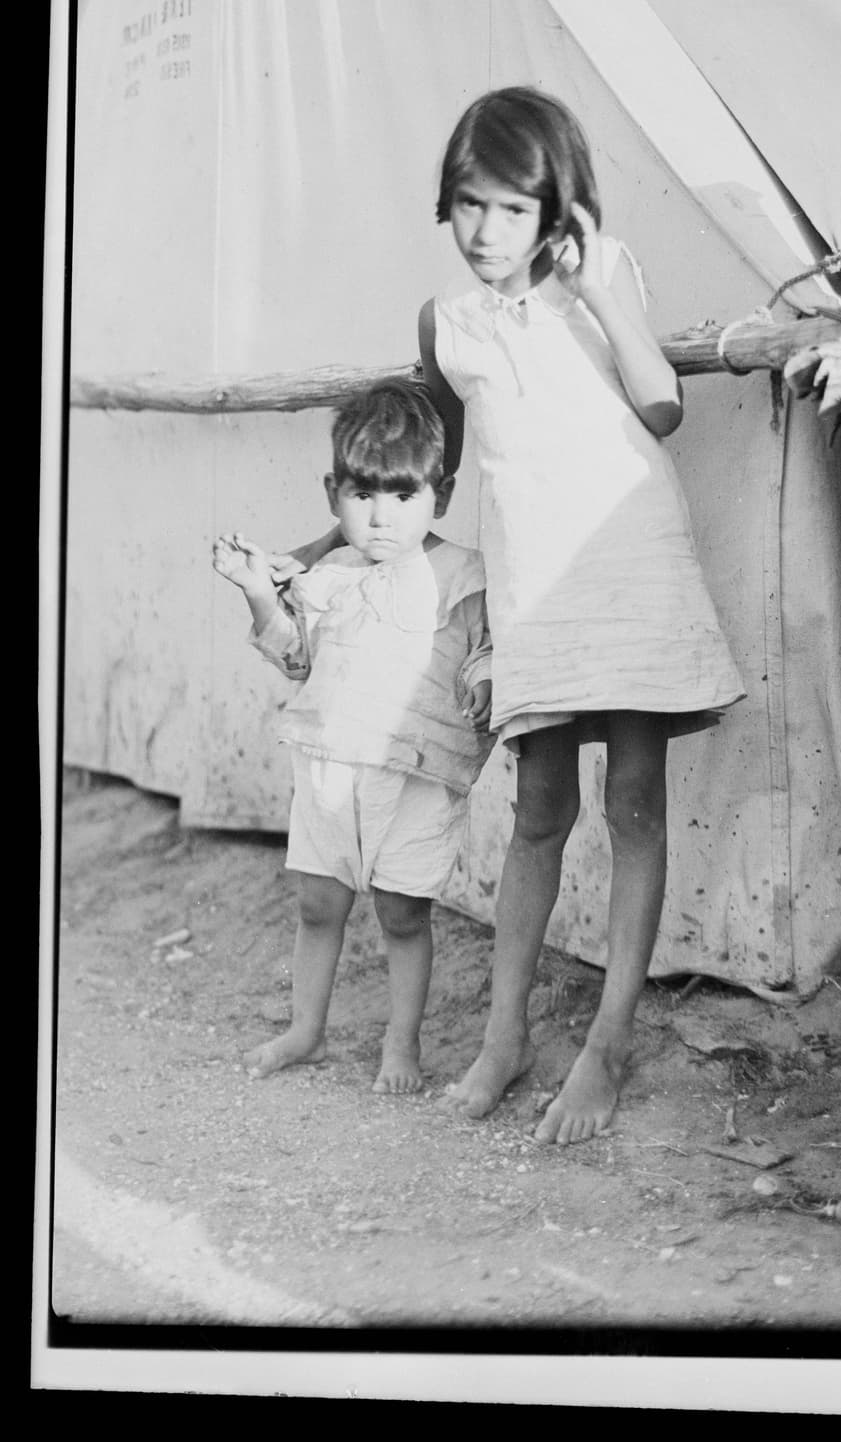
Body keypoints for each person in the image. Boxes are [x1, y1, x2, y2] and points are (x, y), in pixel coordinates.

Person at [418, 86, 745, 1144]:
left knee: (636, 799)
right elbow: (441, 467)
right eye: (468, 204)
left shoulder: (603, 277)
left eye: (511, 209)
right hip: (533, 585)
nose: (483, 231)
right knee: (538, 808)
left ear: (558, 208)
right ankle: (504, 1036)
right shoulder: (447, 325)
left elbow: (661, 405)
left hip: (628, 558)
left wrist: (602, 293)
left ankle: (607, 1044)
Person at [213, 378, 494, 1096]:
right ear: (333, 491)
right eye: (362, 496)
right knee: (318, 903)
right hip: (330, 765)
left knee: (402, 913)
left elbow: (490, 647)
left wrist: (487, 676)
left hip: (415, 774)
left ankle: (401, 1041)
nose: (380, 519)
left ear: (442, 493)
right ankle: (307, 1029)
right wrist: (255, 589)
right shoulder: (328, 574)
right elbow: (296, 657)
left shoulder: (461, 575)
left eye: (403, 497)